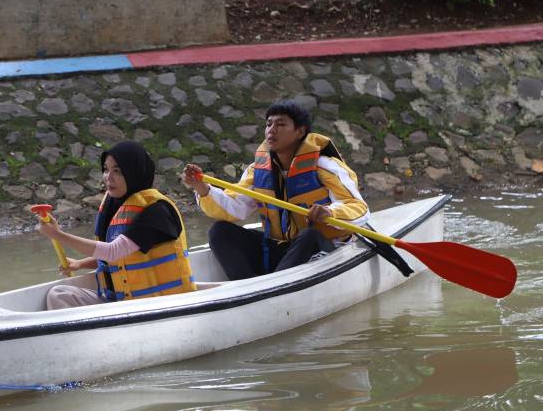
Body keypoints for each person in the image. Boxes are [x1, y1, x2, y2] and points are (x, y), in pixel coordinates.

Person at [182, 99, 370, 281]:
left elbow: (358, 208)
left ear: (300, 131)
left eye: (280, 125)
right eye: (268, 124)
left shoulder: (326, 165)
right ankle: (249, 286)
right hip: (279, 249)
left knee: (310, 235)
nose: (271, 130)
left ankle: (274, 285)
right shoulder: (257, 170)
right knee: (220, 231)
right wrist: (202, 188)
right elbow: (235, 208)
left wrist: (331, 212)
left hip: (322, 250)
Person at [39, 141, 196, 310]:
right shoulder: (116, 205)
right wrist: (81, 264)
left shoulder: (157, 212)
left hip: (162, 305)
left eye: (117, 171)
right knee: (59, 295)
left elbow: (113, 252)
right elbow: (122, 258)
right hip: (123, 302)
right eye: (106, 169)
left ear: (134, 172)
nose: (108, 177)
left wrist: (58, 235)